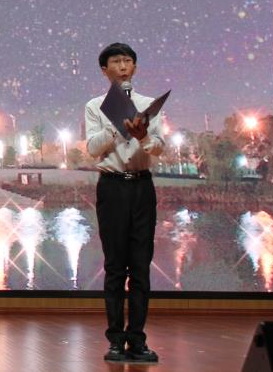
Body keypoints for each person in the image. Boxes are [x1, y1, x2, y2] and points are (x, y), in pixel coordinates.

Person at [85, 42, 165, 364]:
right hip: (112, 188)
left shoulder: (148, 105)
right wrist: (118, 127)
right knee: (115, 266)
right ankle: (116, 341)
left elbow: (158, 148)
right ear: (104, 70)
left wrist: (143, 135)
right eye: (116, 62)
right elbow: (93, 148)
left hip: (142, 187)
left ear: (135, 67)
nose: (122, 66)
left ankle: (138, 340)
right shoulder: (95, 106)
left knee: (141, 266)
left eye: (128, 61)